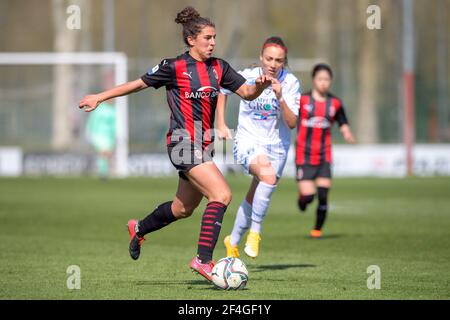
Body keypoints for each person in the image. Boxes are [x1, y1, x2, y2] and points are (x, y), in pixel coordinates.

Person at [78, 6, 273, 282]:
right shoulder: (174, 67)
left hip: (204, 143)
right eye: (207, 38)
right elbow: (137, 84)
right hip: (183, 141)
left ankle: (139, 228)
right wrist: (100, 96)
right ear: (191, 40)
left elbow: (248, 93)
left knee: (183, 209)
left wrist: (261, 87)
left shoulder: (220, 67)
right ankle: (203, 260)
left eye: (214, 37)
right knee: (222, 194)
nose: (213, 43)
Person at [217, 36, 301, 258]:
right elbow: (222, 90)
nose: (273, 64)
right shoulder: (247, 76)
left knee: (256, 193)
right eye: (269, 58)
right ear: (261, 58)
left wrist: (280, 96)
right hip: (248, 141)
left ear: (284, 62)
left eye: (279, 60)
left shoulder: (291, 83)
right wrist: (221, 124)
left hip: (278, 148)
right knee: (268, 177)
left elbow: (292, 123)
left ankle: (232, 241)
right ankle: (255, 233)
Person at [295, 63, 355, 238]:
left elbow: (342, 121)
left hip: (324, 155)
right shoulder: (303, 100)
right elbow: (289, 116)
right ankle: (302, 199)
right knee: (308, 197)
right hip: (303, 154)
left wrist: (346, 132)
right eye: (320, 79)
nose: (323, 83)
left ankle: (317, 230)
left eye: (327, 79)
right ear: (314, 80)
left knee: (323, 194)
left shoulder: (335, 103)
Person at [85, 99, 116, 179]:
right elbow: (93, 121)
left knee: (106, 154)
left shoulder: (113, 109)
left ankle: (103, 172)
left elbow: (114, 124)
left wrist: (114, 136)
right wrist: (89, 133)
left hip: (109, 136)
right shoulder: (99, 109)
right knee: (103, 153)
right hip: (98, 134)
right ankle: (103, 173)